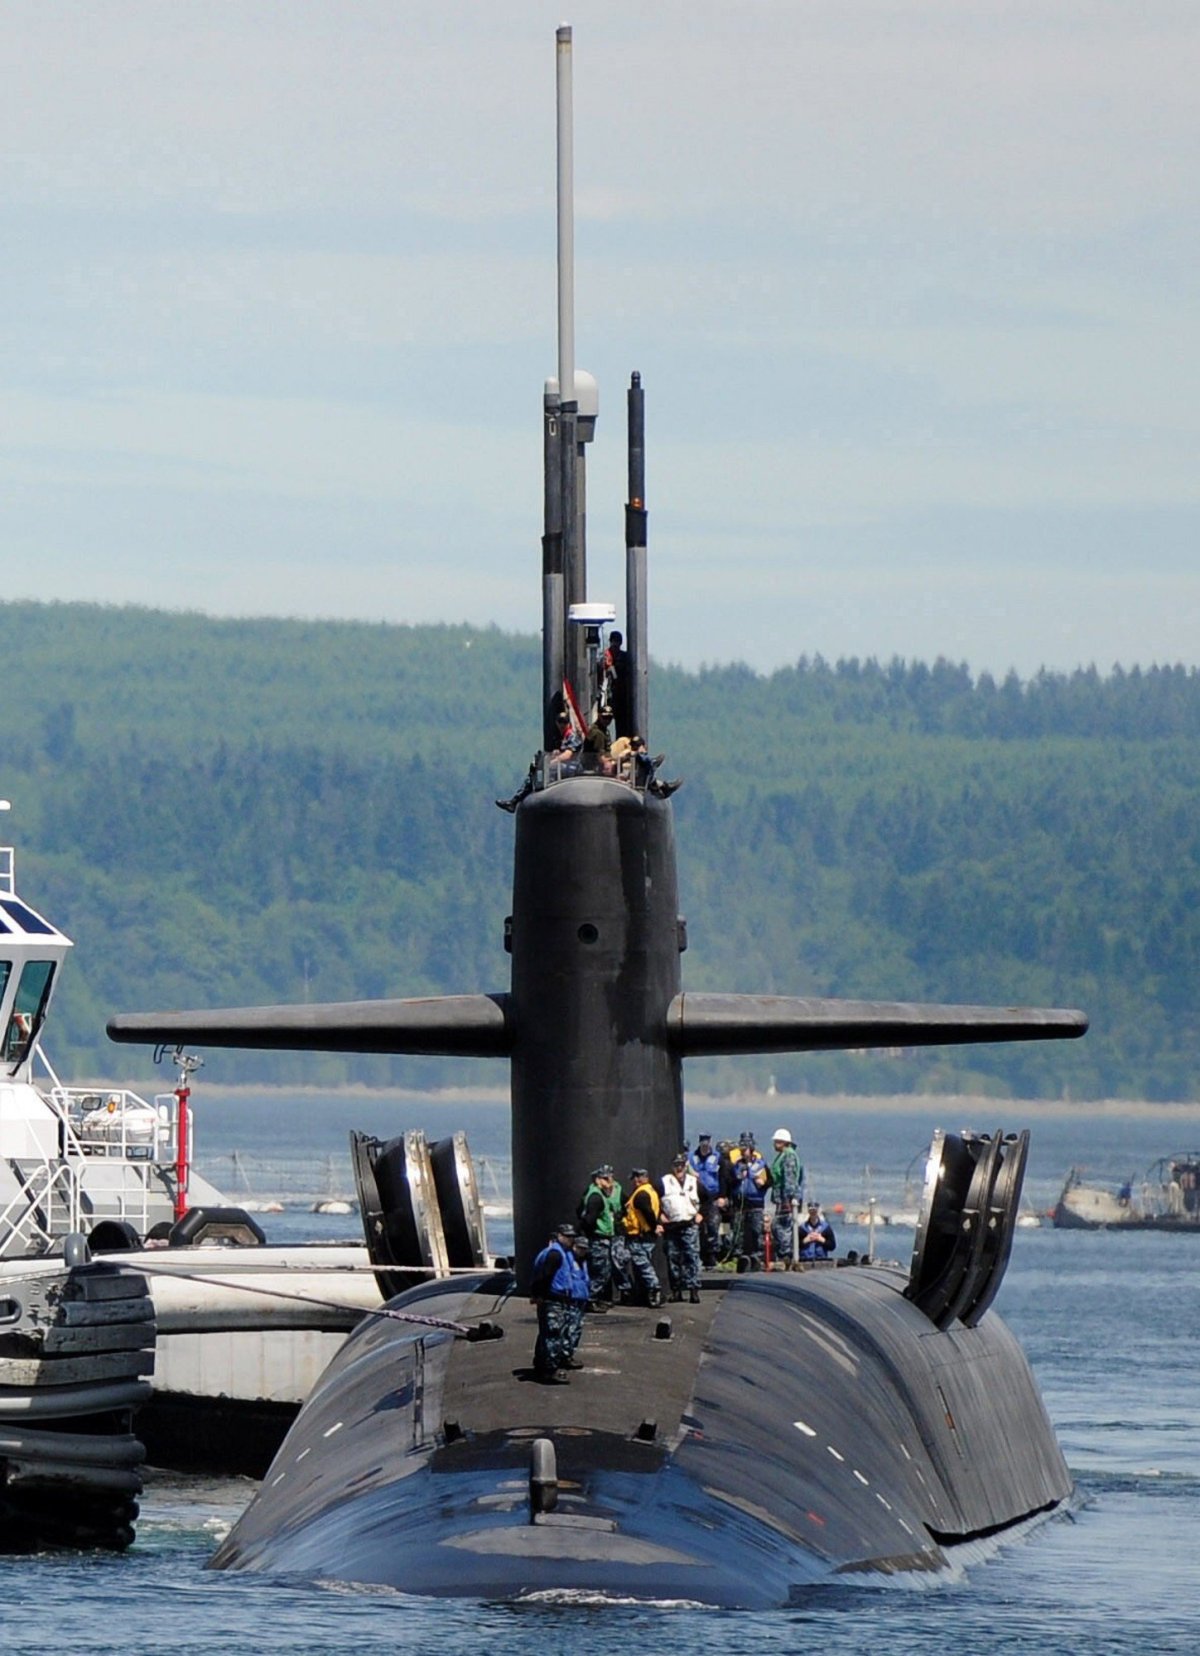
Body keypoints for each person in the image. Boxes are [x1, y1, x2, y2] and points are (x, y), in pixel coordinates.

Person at [529, 1222, 591, 1381]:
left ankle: (542, 1364)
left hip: (556, 1299)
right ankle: (549, 1369)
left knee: (548, 1333)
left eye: (572, 1237)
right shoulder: (555, 1254)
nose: (571, 1240)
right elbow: (544, 1276)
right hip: (553, 1299)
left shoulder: (560, 1253)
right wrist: (539, 1295)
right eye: (568, 1237)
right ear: (559, 1236)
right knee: (553, 1334)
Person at [578, 1164, 625, 1308]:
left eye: (610, 1178)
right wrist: (590, 1233)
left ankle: (594, 1299)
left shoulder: (597, 1194)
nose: (609, 1182)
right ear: (598, 1180)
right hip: (598, 1239)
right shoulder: (596, 1197)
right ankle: (590, 1299)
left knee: (601, 1271)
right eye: (605, 1179)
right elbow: (588, 1219)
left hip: (602, 1238)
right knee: (601, 1273)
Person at [659, 1152, 703, 1303]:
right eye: (676, 1166)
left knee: (692, 1258)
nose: (679, 1168)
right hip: (672, 1227)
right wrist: (659, 1216)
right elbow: (652, 1199)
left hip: (689, 1225)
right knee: (673, 1259)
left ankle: (694, 1290)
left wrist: (701, 1214)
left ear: (686, 1167)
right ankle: (676, 1291)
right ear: (672, 1167)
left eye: (682, 1165)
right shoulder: (664, 1182)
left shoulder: (694, 1182)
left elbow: (708, 1199)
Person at [620, 1168, 664, 1306]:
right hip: (645, 1235)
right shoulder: (650, 1191)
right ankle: (643, 1295)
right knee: (640, 1266)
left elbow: (648, 1213)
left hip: (640, 1236)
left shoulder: (641, 1195)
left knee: (643, 1265)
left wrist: (654, 1226)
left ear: (639, 1179)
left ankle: (654, 1289)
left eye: (634, 1178)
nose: (633, 1181)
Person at [728, 1132, 770, 1267]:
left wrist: (760, 1182)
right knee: (738, 1232)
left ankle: (756, 1256)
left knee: (755, 1231)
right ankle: (739, 1257)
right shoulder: (737, 1165)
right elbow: (730, 1181)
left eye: (744, 1149)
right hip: (740, 1203)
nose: (742, 1152)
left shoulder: (760, 1164)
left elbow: (769, 1181)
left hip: (756, 1203)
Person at [769, 1127, 804, 1266]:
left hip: (786, 1199)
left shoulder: (788, 1156)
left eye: (776, 1142)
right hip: (781, 1198)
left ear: (782, 1142)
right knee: (779, 1226)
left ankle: (786, 1255)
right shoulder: (783, 1155)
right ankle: (785, 1254)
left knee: (781, 1227)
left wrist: (788, 1199)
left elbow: (789, 1179)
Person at [689, 1133, 723, 1267]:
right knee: (697, 1227)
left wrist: (723, 1195)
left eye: (707, 1142)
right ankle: (698, 1255)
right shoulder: (692, 1157)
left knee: (713, 1225)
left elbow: (723, 1177)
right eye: (702, 1142)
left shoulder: (717, 1158)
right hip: (696, 1196)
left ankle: (712, 1255)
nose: (705, 1145)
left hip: (712, 1196)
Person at [604, 629, 632, 736]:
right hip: (608, 695)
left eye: (617, 642)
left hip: (621, 695)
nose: (615, 645)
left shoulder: (624, 657)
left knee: (621, 725)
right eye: (614, 642)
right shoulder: (605, 657)